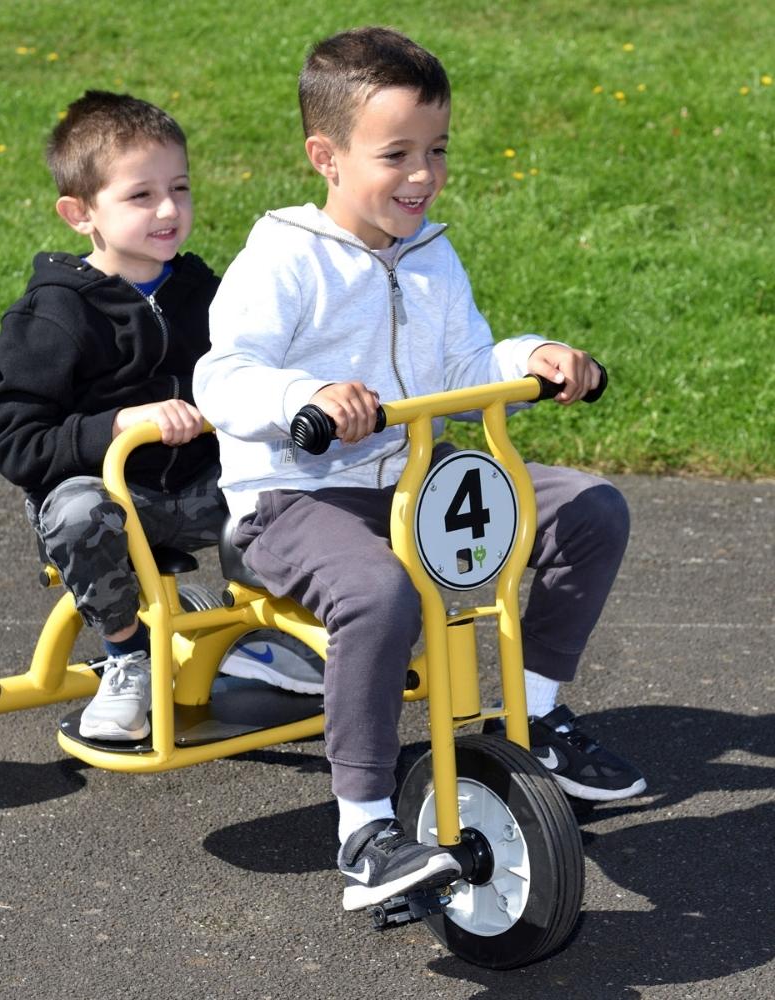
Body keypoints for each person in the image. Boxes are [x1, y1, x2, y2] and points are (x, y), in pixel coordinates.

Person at [193, 26, 645, 912]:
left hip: (416, 481)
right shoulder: (284, 257)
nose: (422, 175)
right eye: (394, 154)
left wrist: (536, 355)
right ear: (325, 157)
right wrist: (306, 396)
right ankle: (363, 827)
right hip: (298, 496)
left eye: (435, 151)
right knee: (381, 593)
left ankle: (535, 715)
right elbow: (224, 373)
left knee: (591, 507)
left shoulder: (432, 254)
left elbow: (465, 368)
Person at [0, 90, 230, 742]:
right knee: (74, 509)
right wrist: (118, 425)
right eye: (140, 195)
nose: (169, 209)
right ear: (80, 213)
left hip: (202, 488)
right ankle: (127, 654)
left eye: (179, 188)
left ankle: (271, 633)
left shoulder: (204, 292)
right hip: (111, 505)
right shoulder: (54, 316)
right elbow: (18, 446)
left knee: (285, 486)